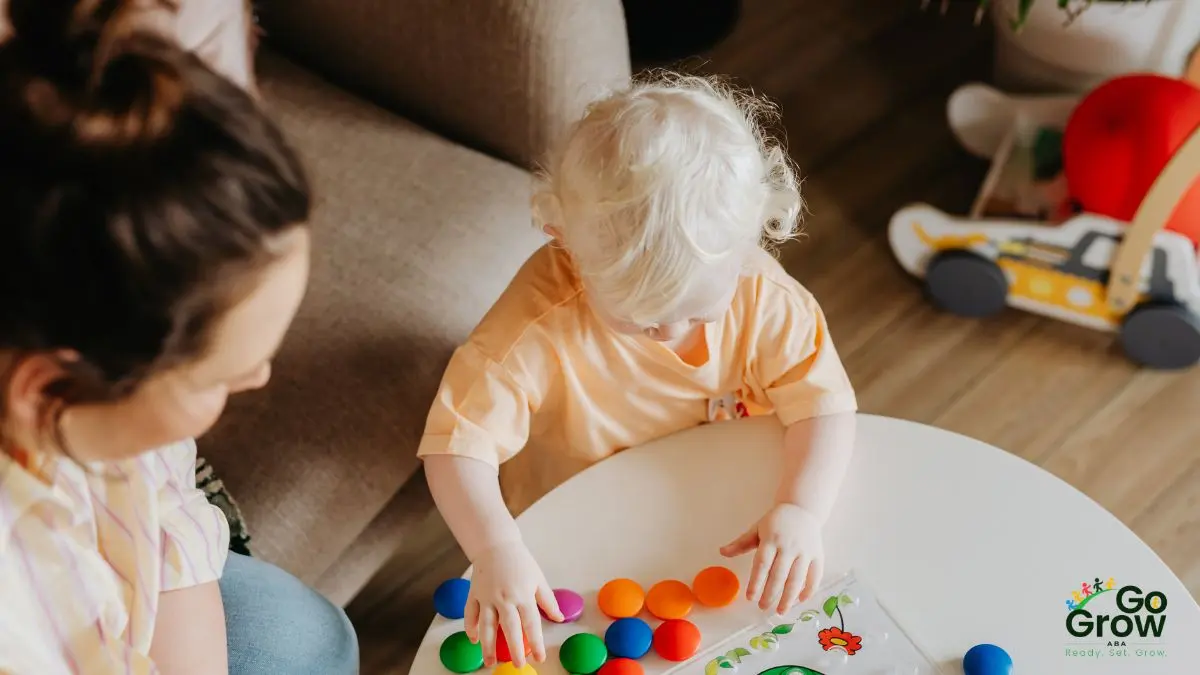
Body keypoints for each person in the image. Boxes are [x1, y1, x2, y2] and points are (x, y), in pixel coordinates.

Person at [418, 72, 858, 668]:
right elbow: (455, 447)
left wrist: (801, 507)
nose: (674, 333)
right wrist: (496, 549)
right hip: (578, 504)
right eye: (642, 321)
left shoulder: (764, 297)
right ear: (565, 244)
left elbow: (824, 406)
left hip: (721, 501)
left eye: (701, 311)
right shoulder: (534, 328)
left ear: (751, 242)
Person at [0, 0, 358, 673]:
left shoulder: (89, 355)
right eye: (218, 376)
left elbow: (159, 497)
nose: (259, 378)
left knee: (317, 637)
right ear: (50, 386)